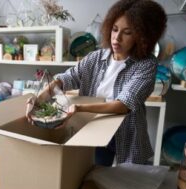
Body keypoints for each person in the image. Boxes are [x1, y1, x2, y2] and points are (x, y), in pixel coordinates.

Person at [26, 0, 167, 166]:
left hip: (127, 135)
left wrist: (78, 109)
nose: (117, 38)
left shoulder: (146, 64)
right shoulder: (95, 58)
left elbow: (123, 104)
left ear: (142, 36)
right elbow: (65, 79)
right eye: (114, 30)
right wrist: (39, 99)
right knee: (92, 176)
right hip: (94, 128)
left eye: (127, 32)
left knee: (127, 182)